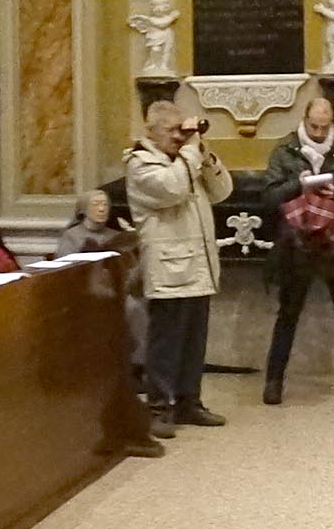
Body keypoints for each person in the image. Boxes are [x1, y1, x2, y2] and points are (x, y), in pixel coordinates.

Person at [261, 97, 334, 405]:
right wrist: (296, 186)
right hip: (296, 244)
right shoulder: (284, 151)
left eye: (324, 127)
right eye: (314, 126)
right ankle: (273, 381)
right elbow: (268, 198)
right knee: (288, 315)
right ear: (304, 120)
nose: (318, 132)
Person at [127, 100, 233, 432]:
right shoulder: (141, 164)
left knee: (193, 342)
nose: (179, 136)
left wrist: (204, 152)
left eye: (181, 129)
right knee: (166, 343)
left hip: (198, 265)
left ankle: (189, 402)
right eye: (171, 130)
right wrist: (189, 152)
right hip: (168, 270)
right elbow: (171, 190)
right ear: (151, 131)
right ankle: (158, 409)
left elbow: (222, 191)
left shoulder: (186, 160)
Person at [57, 189, 132, 255]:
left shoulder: (116, 236)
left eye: (105, 204)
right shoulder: (71, 236)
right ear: (84, 209)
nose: (101, 209)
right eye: (95, 204)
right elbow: (64, 264)